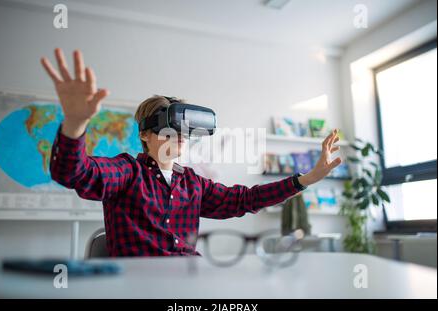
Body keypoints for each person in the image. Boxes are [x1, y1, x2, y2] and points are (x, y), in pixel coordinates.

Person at [41, 48, 342, 257]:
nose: (180, 140)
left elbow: (245, 199)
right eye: (169, 131)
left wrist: (308, 178)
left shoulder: (193, 184)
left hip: (191, 282)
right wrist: (75, 124)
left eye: (184, 133)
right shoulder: (127, 173)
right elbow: (74, 173)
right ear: (145, 135)